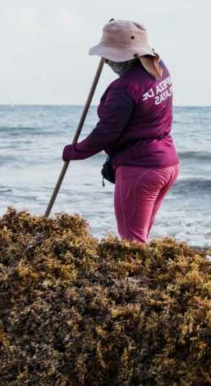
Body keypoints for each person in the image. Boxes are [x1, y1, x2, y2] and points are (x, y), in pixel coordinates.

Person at [62, 19, 179, 244]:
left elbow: (106, 133)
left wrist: (75, 151)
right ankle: (148, 279)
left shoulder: (123, 90)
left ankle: (136, 280)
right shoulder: (159, 67)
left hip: (141, 170)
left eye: (108, 55)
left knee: (131, 243)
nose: (105, 61)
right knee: (140, 237)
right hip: (167, 166)